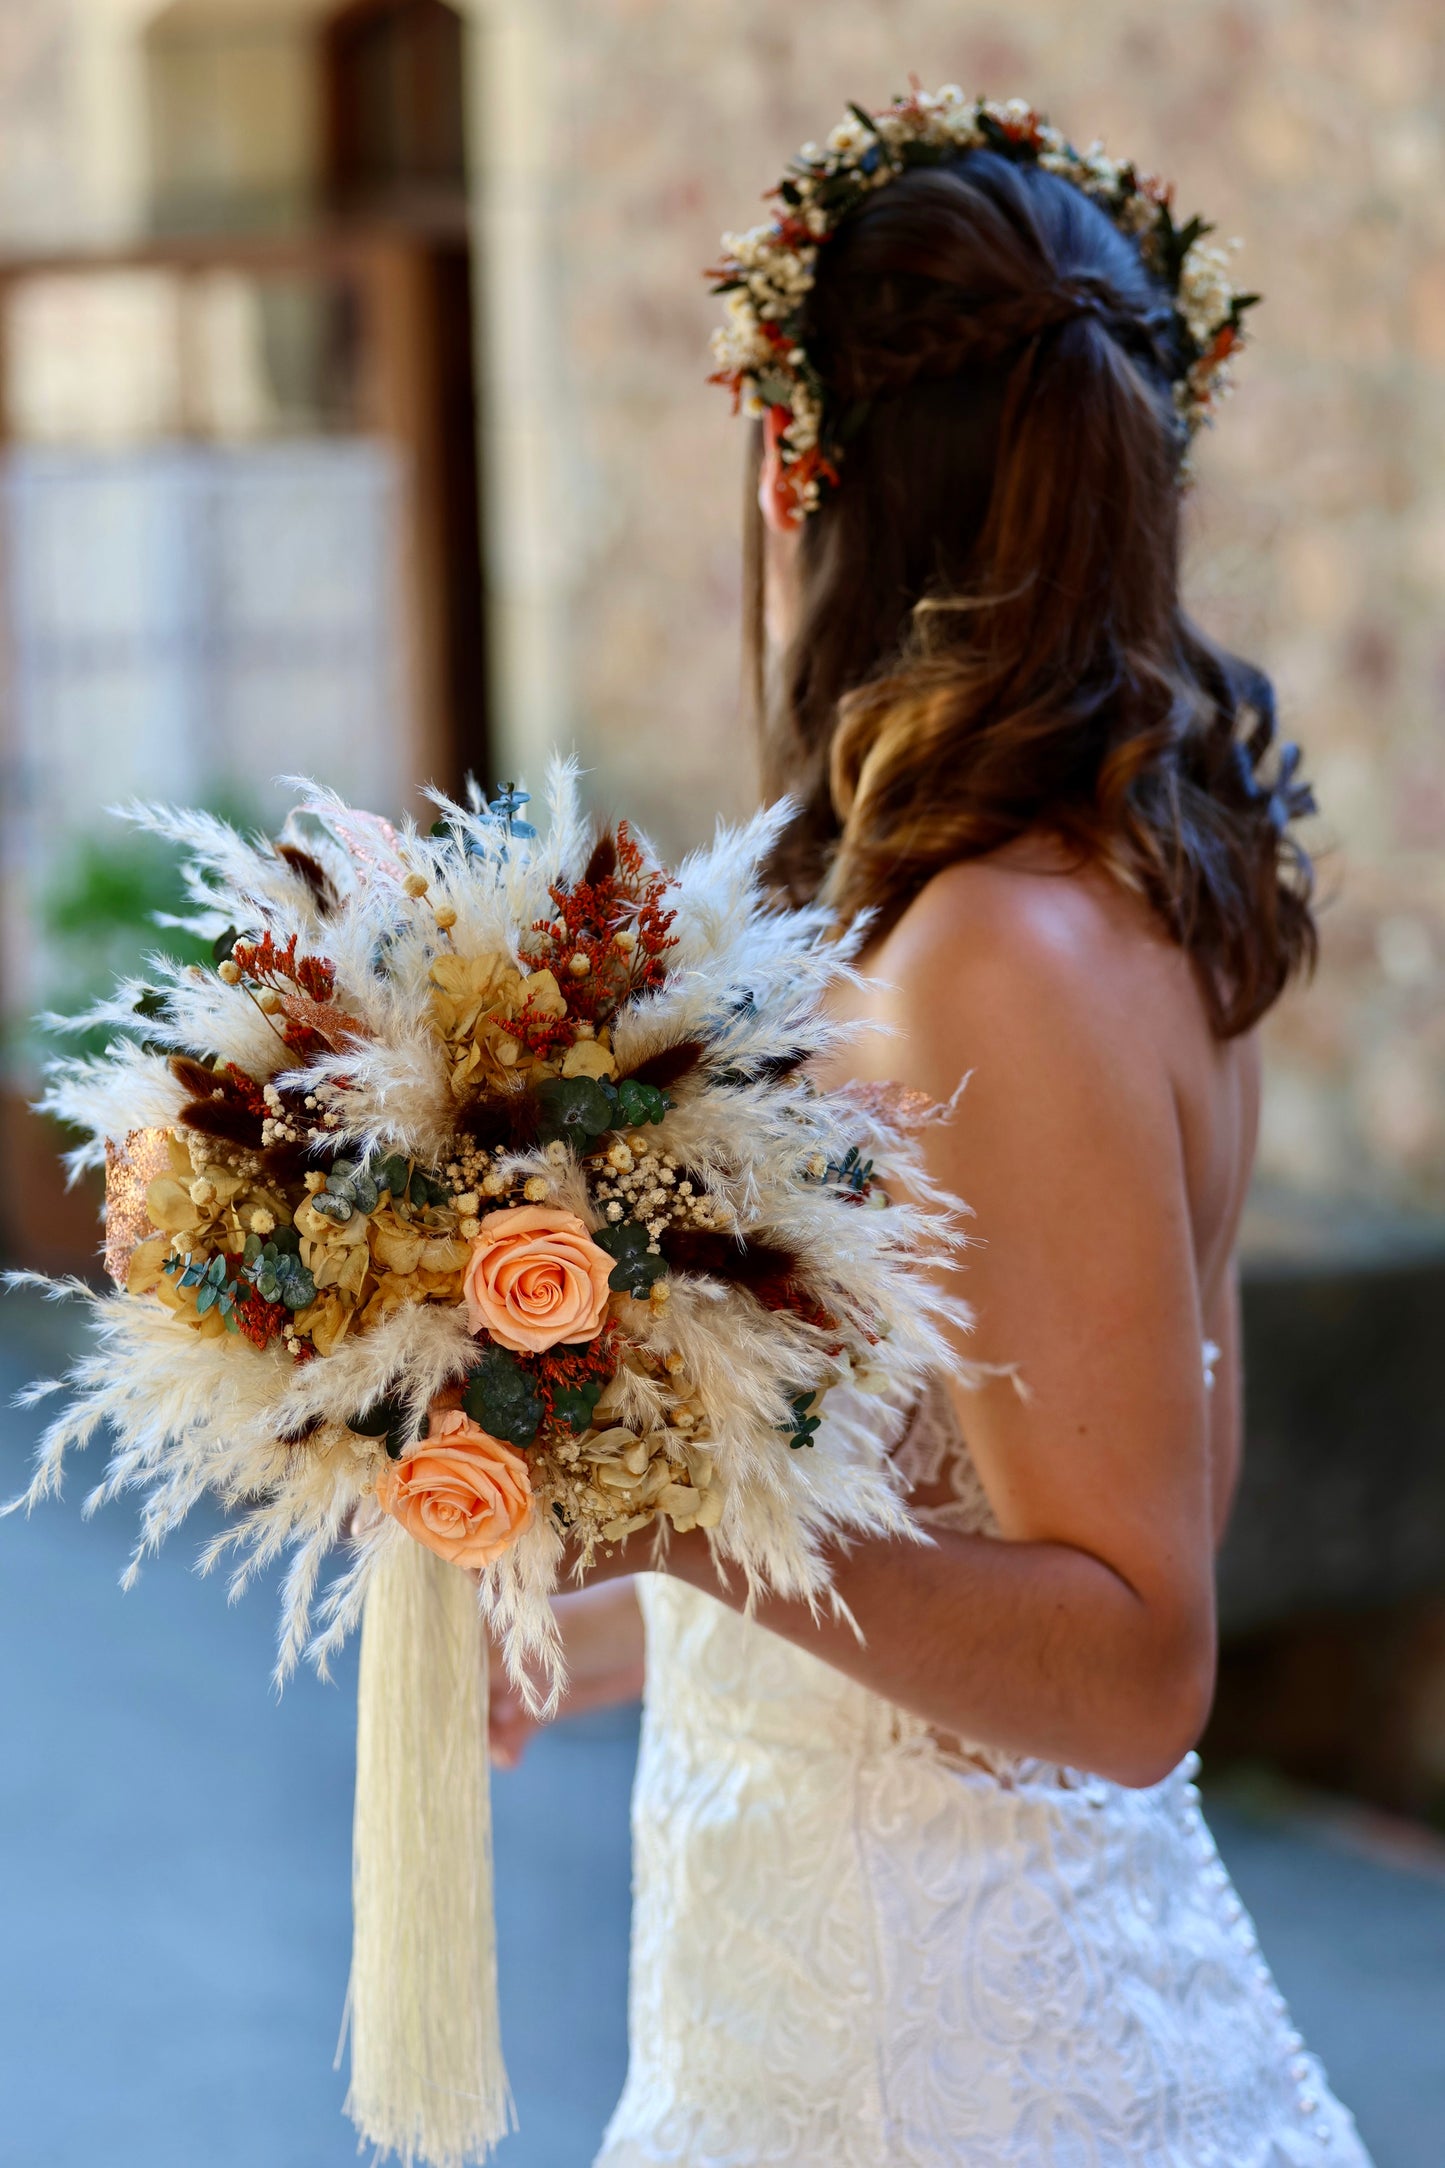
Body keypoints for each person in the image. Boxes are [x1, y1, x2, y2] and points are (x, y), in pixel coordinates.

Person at [492, 93, 1374, 2167]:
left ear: (808, 483)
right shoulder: (1085, 902)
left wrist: (683, 1515)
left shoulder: (1002, 953)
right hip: (829, 2025)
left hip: (961, 2073)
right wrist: (570, 1636)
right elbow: (942, 1566)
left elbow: (1132, 1661)